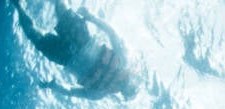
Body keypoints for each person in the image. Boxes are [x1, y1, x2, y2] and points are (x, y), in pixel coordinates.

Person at [11, 0, 139, 100]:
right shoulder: (121, 61)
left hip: (67, 55)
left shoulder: (99, 93)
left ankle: (18, 5)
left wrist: (54, 86)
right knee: (57, 11)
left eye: (124, 86)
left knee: (34, 34)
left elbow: (71, 91)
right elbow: (112, 33)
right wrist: (91, 17)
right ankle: (18, 6)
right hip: (79, 43)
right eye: (125, 83)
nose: (121, 83)